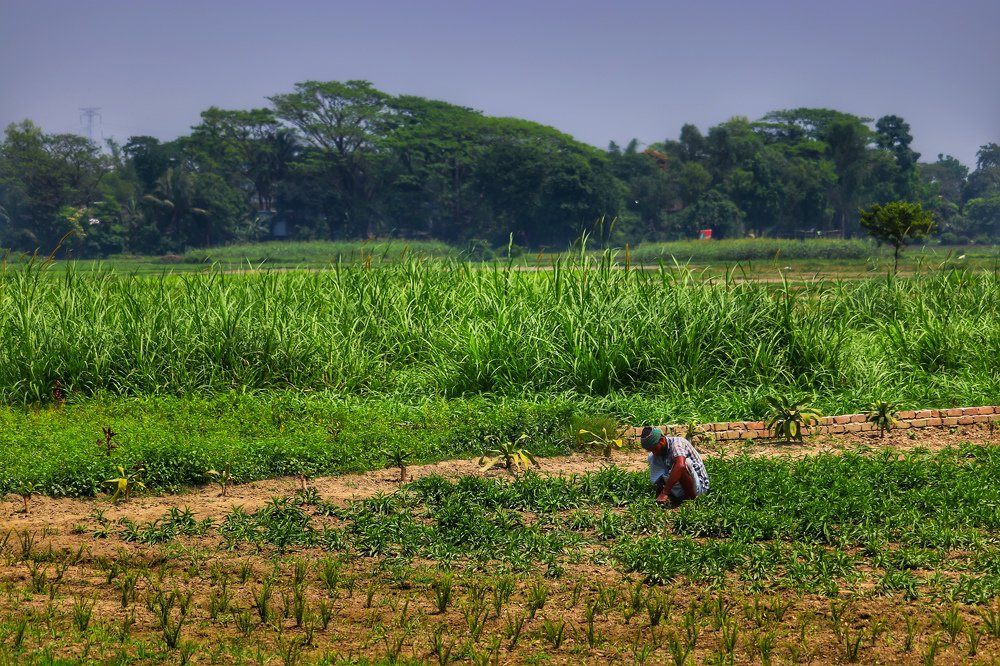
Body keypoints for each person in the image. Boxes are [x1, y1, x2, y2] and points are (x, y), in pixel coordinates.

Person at [640, 426, 710, 506]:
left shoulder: (677, 443)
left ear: (662, 440)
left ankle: (690, 501)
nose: (654, 452)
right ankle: (671, 496)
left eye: (655, 449)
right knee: (651, 457)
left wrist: (665, 492)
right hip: (681, 488)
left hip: (699, 489)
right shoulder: (657, 453)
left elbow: (680, 466)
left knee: (683, 464)